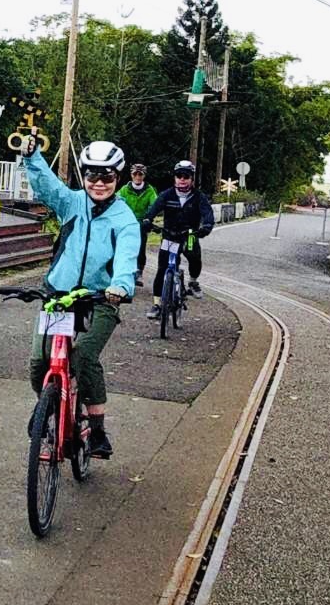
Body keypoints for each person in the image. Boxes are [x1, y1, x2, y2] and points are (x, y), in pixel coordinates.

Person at [20, 137, 140, 459]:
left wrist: (120, 287)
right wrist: (32, 156)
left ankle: (97, 430)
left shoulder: (125, 220)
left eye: (107, 177)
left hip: (102, 298)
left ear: (118, 177)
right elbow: (47, 186)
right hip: (59, 294)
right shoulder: (72, 203)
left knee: (84, 355)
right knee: (39, 361)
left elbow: (127, 259)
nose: (99, 183)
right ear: (83, 175)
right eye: (92, 176)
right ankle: (46, 404)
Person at [143, 160, 215, 316]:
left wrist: (206, 227)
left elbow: (208, 214)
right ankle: (156, 305)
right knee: (162, 268)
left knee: (194, 258)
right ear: (174, 177)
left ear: (192, 179)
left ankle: (193, 281)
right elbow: (152, 210)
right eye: (179, 176)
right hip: (169, 235)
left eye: (186, 176)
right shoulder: (167, 195)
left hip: (189, 235)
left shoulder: (198, 197)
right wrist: (148, 221)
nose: (182, 179)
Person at [118, 162, 157, 286]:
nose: (138, 177)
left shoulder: (149, 190)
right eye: (135, 174)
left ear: (144, 176)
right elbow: (117, 201)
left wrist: (148, 218)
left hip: (141, 223)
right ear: (131, 175)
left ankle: (139, 271)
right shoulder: (125, 189)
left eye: (140, 174)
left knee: (141, 247)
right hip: (126, 222)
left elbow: (154, 205)